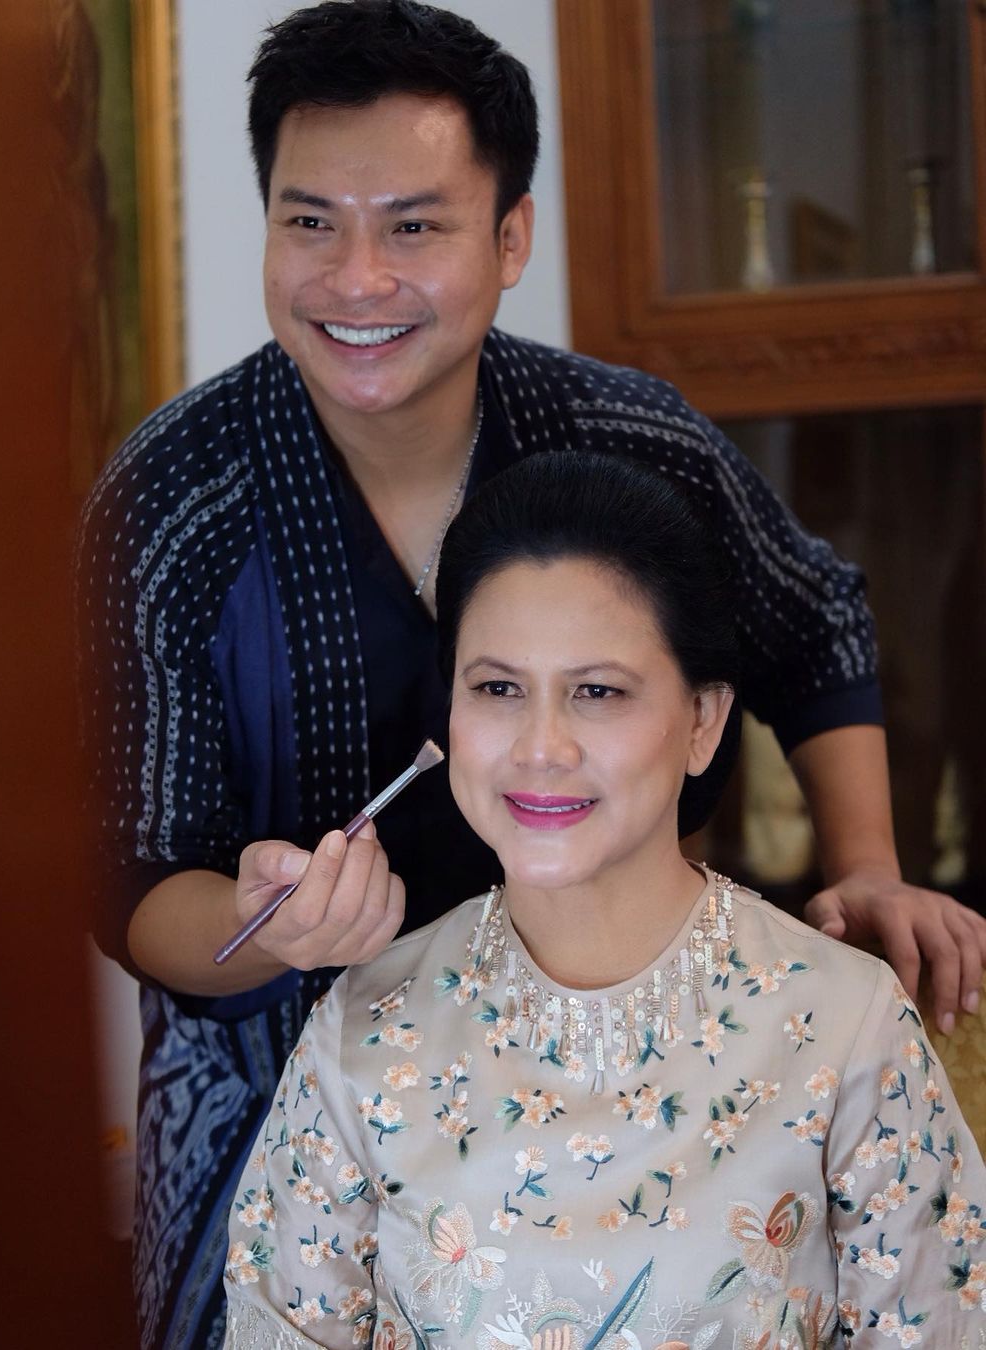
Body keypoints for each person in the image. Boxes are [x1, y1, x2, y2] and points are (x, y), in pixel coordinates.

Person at [75, 2, 986, 1345]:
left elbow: (812, 623)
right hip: (293, 1095)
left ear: (512, 238)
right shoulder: (172, 507)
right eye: (311, 220)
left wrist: (865, 865)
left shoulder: (632, 441)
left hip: (671, 1078)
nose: (358, 278)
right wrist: (266, 933)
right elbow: (127, 874)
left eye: (415, 227)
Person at [221, 451, 986, 1348]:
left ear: (703, 721)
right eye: (497, 688)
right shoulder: (362, 1033)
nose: (540, 747)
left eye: (597, 692)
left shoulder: (845, 1027)